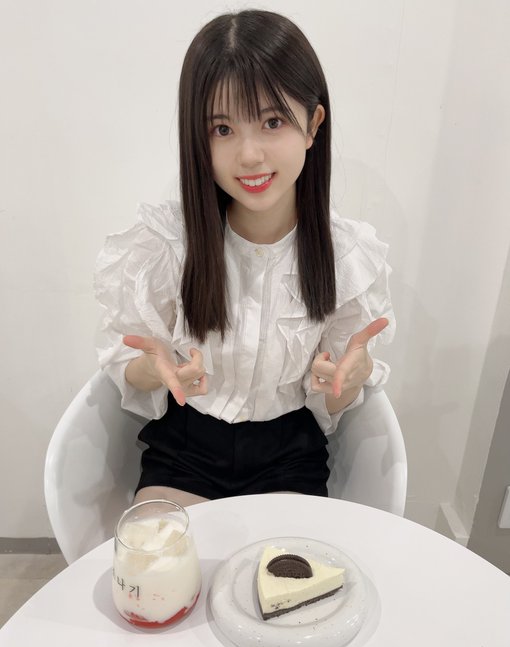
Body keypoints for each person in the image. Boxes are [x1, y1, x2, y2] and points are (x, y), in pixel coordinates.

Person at [94, 9, 395, 508]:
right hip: (186, 447)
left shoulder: (346, 257)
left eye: (272, 122)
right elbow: (130, 365)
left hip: (289, 454)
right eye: (222, 129)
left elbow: (332, 399)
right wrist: (152, 370)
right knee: (159, 557)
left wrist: (351, 379)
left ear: (313, 125)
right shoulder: (168, 243)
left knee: (287, 563)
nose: (249, 155)